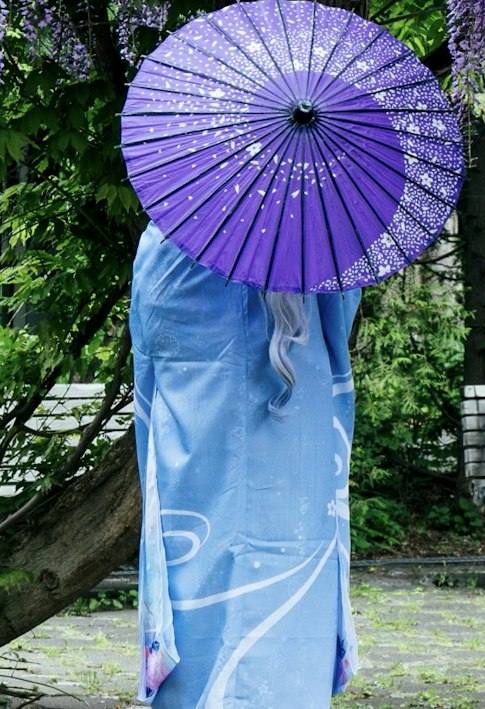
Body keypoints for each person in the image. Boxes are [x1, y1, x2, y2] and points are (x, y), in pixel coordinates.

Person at [129, 220, 360, 708]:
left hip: (198, 469)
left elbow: (151, 341)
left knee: (200, 595)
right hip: (298, 461)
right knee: (290, 603)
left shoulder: (176, 233)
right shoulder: (323, 233)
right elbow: (341, 326)